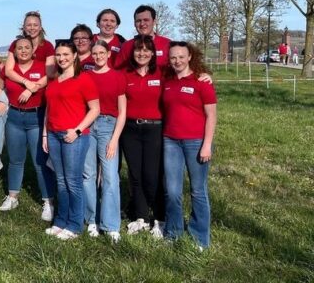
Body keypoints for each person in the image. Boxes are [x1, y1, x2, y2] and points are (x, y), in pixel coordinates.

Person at [43, 40, 100, 240]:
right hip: (54, 134)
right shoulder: (54, 80)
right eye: (58, 55)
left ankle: (75, 225)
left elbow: (95, 109)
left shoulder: (83, 79)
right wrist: (45, 134)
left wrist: (76, 130)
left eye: (66, 54)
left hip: (74, 137)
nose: (62, 58)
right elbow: (49, 110)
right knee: (60, 181)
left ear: (74, 55)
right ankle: (61, 220)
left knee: (73, 182)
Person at [0, 36, 56, 221]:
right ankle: (13, 196)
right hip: (14, 118)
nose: (23, 51)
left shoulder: (42, 66)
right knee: (15, 160)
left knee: (39, 161)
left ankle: (48, 201)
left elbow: (48, 84)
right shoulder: (9, 69)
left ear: (33, 50)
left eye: (26, 47)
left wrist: (31, 88)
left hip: (36, 117)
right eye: (19, 48)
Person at [162, 42, 217, 250]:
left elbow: (211, 115)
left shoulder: (202, 82)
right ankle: (173, 232)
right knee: (172, 191)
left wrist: (207, 144)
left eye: (181, 57)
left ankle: (199, 237)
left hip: (195, 142)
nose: (177, 61)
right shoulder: (167, 81)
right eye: (173, 57)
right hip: (170, 141)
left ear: (190, 57)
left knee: (197, 191)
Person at [0, 11, 55, 178]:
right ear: (24, 27)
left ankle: (53, 157)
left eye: (35, 24)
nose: (32, 27)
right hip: (16, 86)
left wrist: (32, 88)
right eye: (29, 25)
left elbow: (50, 73)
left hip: (39, 87)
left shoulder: (46, 46)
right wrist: (26, 83)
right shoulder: (16, 44)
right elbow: (9, 71)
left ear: (41, 27)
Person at [119, 35, 166, 236]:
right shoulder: (125, 74)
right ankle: (141, 217)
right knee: (135, 175)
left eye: (147, 50)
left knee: (153, 176)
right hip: (130, 130)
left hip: (154, 129)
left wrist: (203, 75)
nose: (142, 53)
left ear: (153, 53)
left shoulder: (162, 73)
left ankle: (159, 219)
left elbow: (188, 73)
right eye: (139, 49)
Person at [84, 40, 127, 242]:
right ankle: (91, 219)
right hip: (88, 126)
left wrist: (114, 139)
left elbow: (123, 110)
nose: (98, 56)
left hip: (109, 126)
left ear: (109, 54)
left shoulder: (117, 77)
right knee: (88, 174)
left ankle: (110, 225)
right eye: (95, 53)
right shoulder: (86, 76)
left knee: (110, 176)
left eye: (102, 52)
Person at [114, 5, 171, 69]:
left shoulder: (168, 44)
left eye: (146, 20)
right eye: (138, 21)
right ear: (134, 23)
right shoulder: (126, 46)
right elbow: (117, 71)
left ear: (154, 21)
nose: (142, 24)